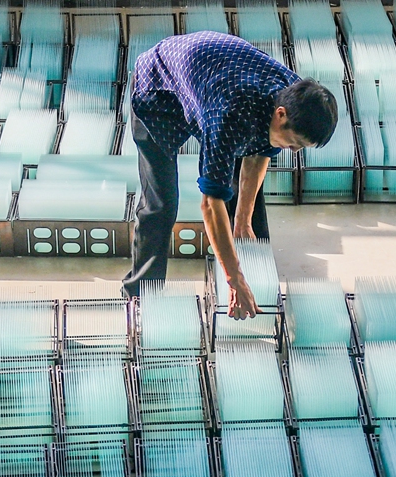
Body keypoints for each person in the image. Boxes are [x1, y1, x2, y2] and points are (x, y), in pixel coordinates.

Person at [122, 30, 339, 319]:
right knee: (162, 203)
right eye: (295, 143)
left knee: (248, 209)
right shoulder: (229, 116)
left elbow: (261, 151)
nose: (294, 151)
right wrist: (233, 279)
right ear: (281, 115)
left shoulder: (294, 95)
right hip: (158, 87)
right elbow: (211, 204)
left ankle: (258, 294)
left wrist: (243, 220)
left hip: (211, 77)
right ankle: (140, 295)